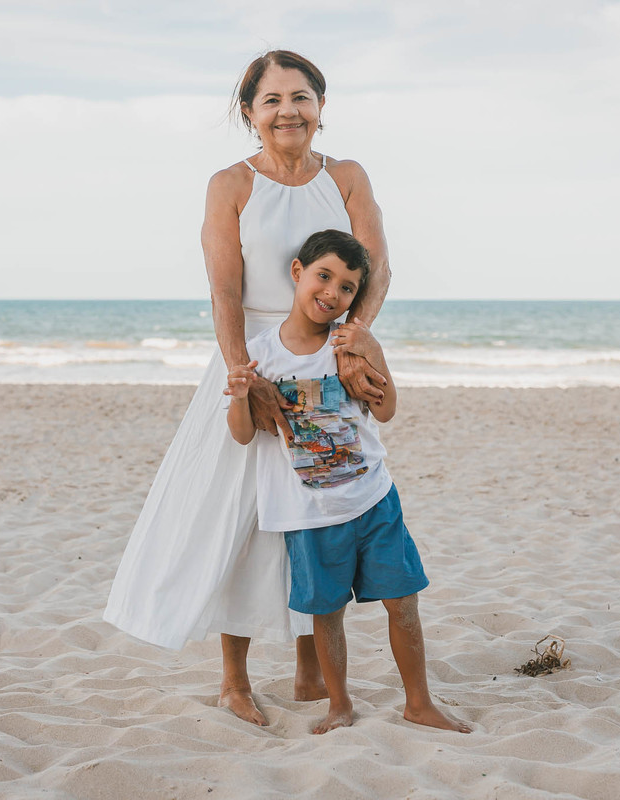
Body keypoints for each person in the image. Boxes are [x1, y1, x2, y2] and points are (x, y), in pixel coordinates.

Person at [103, 50, 391, 727]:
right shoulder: (231, 183)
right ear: (249, 112)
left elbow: (376, 269)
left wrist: (351, 343)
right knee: (240, 519)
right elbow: (225, 289)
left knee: (317, 508)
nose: (288, 111)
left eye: (301, 97)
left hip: (324, 359)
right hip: (252, 357)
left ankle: (309, 670)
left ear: (321, 106)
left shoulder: (347, 177)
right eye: (272, 100)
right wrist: (244, 377)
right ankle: (234, 680)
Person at [225, 229, 471, 735]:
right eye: (324, 276)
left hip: (374, 499)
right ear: (298, 272)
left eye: (347, 287)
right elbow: (244, 435)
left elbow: (387, 409)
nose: (332, 292)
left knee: (403, 603)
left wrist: (374, 349)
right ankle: (339, 705)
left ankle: (419, 703)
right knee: (328, 615)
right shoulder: (258, 353)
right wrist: (241, 393)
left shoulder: (348, 345)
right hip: (308, 515)